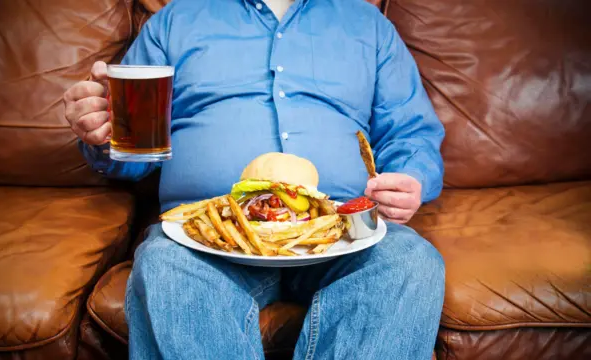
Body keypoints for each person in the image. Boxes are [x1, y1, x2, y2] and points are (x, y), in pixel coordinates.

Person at [63, 0, 446, 358]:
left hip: (340, 226)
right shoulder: (175, 22)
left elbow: (411, 133)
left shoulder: (369, 26)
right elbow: (133, 153)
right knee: (166, 267)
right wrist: (102, 133)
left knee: (409, 261)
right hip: (207, 233)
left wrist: (409, 177)